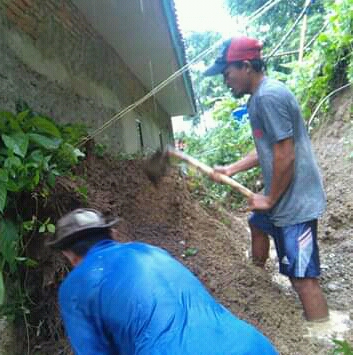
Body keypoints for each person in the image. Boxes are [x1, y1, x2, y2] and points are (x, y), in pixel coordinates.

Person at [204, 36, 329, 322]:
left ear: (246, 66)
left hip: (295, 203)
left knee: (303, 280)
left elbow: (286, 153)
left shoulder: (269, 97)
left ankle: (324, 336)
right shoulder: (257, 100)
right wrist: (232, 169)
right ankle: (258, 279)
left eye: (227, 74)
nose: (226, 81)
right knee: (257, 224)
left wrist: (270, 198)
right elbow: (267, 148)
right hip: (282, 197)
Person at [46, 208, 278, 355]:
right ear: (112, 235)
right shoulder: (150, 251)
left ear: (68, 254)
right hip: (254, 345)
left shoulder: (74, 287)